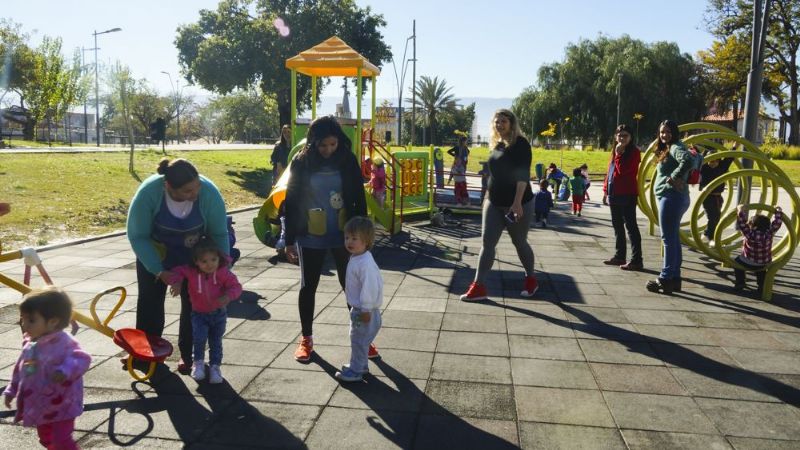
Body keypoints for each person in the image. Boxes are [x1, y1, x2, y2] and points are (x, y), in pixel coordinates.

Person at [127, 158, 229, 374]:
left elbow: (218, 233)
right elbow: (138, 235)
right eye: (187, 191)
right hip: (154, 253)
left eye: (196, 187)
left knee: (195, 304)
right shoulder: (149, 193)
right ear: (168, 187)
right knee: (150, 301)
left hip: (193, 256)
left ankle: (189, 355)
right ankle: (146, 353)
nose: (194, 194)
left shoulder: (208, 193)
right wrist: (159, 270)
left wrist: (221, 269)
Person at [283, 116, 372, 362]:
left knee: (351, 286)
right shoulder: (301, 162)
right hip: (310, 234)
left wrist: (363, 231)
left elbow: (358, 197)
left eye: (332, 144)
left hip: (344, 234)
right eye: (322, 145)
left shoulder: (347, 159)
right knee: (308, 285)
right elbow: (291, 200)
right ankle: (306, 338)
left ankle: (362, 337)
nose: (328, 150)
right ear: (312, 142)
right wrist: (288, 239)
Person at [461, 109, 538, 301]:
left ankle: (531, 279)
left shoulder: (521, 144)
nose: (499, 125)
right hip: (494, 202)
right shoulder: (498, 144)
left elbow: (522, 176)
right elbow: (494, 174)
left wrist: (517, 203)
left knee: (519, 243)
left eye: (503, 121)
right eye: (497, 121)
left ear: (512, 123)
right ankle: (478, 286)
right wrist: (487, 196)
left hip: (518, 203)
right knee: (487, 244)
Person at [3, 287, 91, 450]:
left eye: (31, 320)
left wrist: (64, 370)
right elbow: (21, 368)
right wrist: (11, 389)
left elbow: (81, 358)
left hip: (63, 402)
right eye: (23, 319)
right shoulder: (31, 343)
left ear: (53, 322)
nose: (24, 324)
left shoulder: (64, 342)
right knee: (46, 440)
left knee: (61, 441)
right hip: (40, 404)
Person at [168, 238, 242, 384]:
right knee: (199, 339)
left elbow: (236, 286)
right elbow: (178, 271)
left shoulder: (222, 272)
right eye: (204, 261)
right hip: (199, 314)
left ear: (218, 258)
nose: (210, 265)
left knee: (216, 341)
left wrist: (228, 296)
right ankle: (198, 363)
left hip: (218, 314)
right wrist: (176, 282)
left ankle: (215, 367)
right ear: (196, 261)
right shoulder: (191, 272)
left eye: (213, 259)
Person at [646, 120, 692, 294]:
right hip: (674, 197)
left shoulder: (675, 147)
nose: (664, 135)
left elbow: (687, 160)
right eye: (662, 132)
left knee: (668, 239)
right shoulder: (669, 147)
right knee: (673, 238)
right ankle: (675, 278)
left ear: (674, 133)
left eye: (668, 132)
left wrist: (673, 177)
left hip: (671, 197)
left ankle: (665, 278)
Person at [335, 217, 383, 382]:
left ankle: (356, 371)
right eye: (347, 237)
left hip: (364, 310)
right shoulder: (358, 257)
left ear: (366, 241)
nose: (349, 241)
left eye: (355, 238)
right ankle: (360, 366)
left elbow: (369, 287)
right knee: (357, 339)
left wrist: (366, 309)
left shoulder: (364, 263)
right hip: (360, 309)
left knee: (359, 340)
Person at [602, 124, 643, 271]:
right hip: (614, 194)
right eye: (619, 135)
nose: (622, 138)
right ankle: (620, 255)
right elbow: (610, 171)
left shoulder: (634, 152)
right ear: (615, 136)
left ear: (631, 137)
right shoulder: (615, 150)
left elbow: (624, 171)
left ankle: (637, 260)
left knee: (631, 227)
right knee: (617, 226)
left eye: (625, 135)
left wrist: (619, 155)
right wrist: (605, 190)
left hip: (627, 194)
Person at [733, 205, 783, 294]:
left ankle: (740, 282)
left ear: (752, 225)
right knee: (761, 272)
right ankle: (761, 286)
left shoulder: (748, 232)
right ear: (768, 226)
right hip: (763, 263)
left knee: (736, 262)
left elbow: (741, 222)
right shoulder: (770, 233)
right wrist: (778, 211)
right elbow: (777, 223)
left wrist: (740, 210)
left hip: (747, 261)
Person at [699, 148, 734, 244]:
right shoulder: (704, 167)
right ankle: (710, 237)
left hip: (718, 197)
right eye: (710, 161)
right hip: (707, 197)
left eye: (715, 161)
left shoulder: (722, 167)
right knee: (712, 217)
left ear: (719, 161)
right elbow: (699, 160)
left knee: (717, 218)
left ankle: (709, 235)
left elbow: (729, 158)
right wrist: (703, 152)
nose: (712, 163)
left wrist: (734, 147)